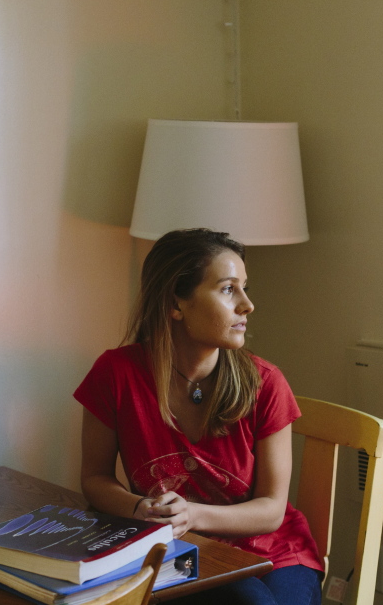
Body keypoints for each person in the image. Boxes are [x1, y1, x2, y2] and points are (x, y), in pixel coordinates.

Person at [74, 229, 323, 605]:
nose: (247, 305)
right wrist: (140, 508)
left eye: (245, 288)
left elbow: (272, 509)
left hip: (276, 552)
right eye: (228, 289)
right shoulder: (116, 375)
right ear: (176, 302)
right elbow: (95, 477)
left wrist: (190, 514)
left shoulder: (266, 384)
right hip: (179, 548)